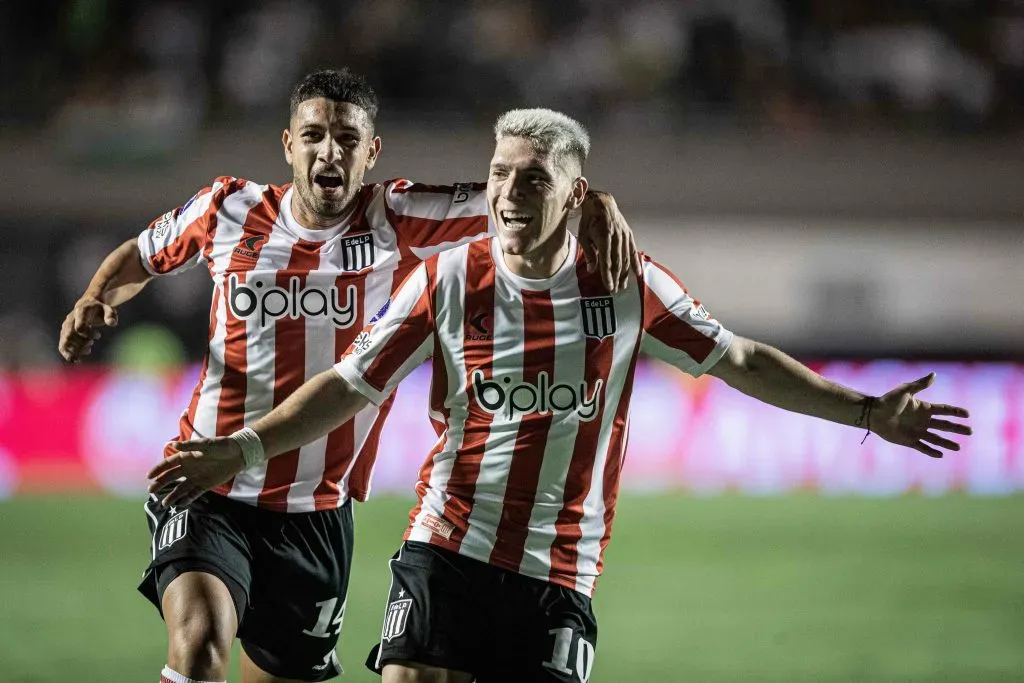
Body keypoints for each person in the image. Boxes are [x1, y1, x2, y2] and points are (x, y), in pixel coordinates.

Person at [147, 108, 972, 683]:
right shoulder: (447, 278)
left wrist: (866, 412)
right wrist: (245, 446)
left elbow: (741, 359)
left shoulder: (624, 285)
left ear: (573, 195)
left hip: (559, 569)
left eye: (532, 179)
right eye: (499, 174)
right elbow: (347, 384)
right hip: (445, 548)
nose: (507, 192)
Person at [58, 70, 639, 683]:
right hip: (211, 481)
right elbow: (141, 254)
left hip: (317, 511)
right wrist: (96, 296)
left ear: (371, 152)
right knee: (200, 645)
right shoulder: (227, 209)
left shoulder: (400, 216)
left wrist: (596, 200)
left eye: (346, 138)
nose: (328, 151)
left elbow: (522, 198)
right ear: (288, 145)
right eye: (313, 135)